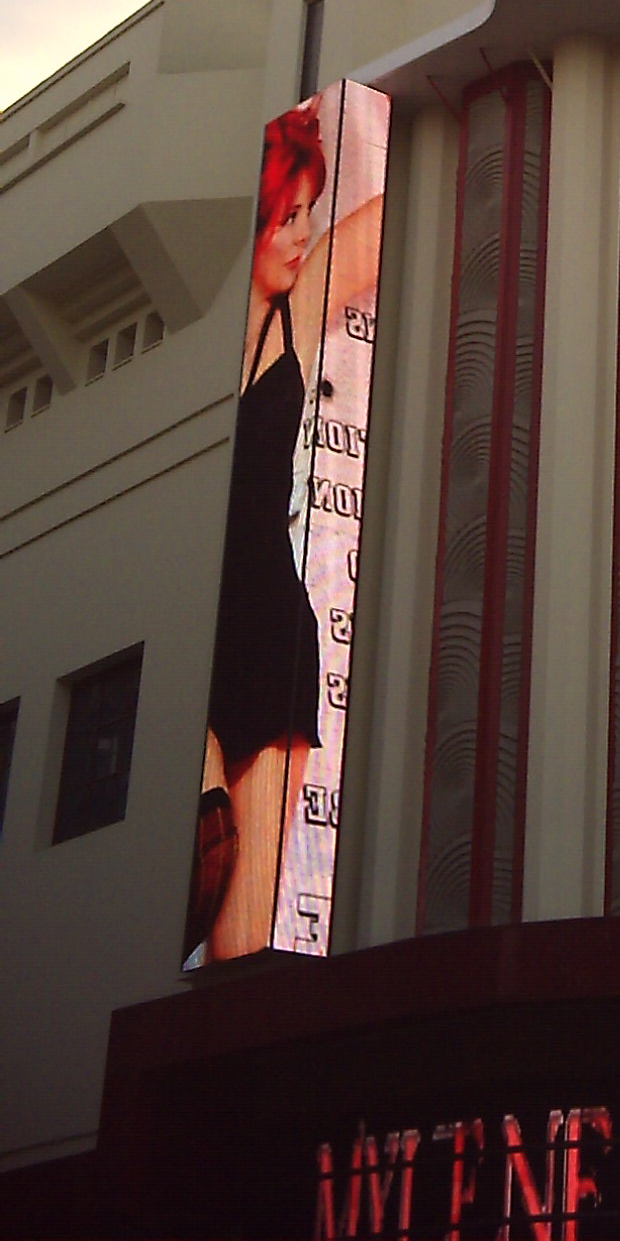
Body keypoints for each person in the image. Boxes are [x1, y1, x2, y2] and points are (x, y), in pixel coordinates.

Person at [186, 100, 382, 962]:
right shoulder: (198, 330)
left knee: (240, 942)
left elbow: (382, 223)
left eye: (310, 214)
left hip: (269, 632)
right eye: (286, 218)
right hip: (198, 634)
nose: (302, 237)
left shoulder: (292, 314)